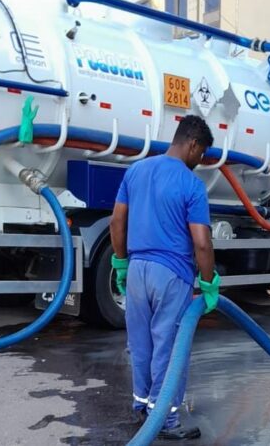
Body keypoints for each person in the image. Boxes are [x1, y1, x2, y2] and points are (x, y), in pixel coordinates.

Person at [109, 115, 220, 440]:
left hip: (138, 271)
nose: (200, 161)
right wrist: (209, 283)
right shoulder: (191, 185)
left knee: (140, 344)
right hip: (171, 274)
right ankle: (165, 421)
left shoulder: (136, 171)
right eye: (201, 154)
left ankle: (142, 408)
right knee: (169, 348)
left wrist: (120, 263)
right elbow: (201, 241)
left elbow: (117, 222)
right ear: (193, 143)